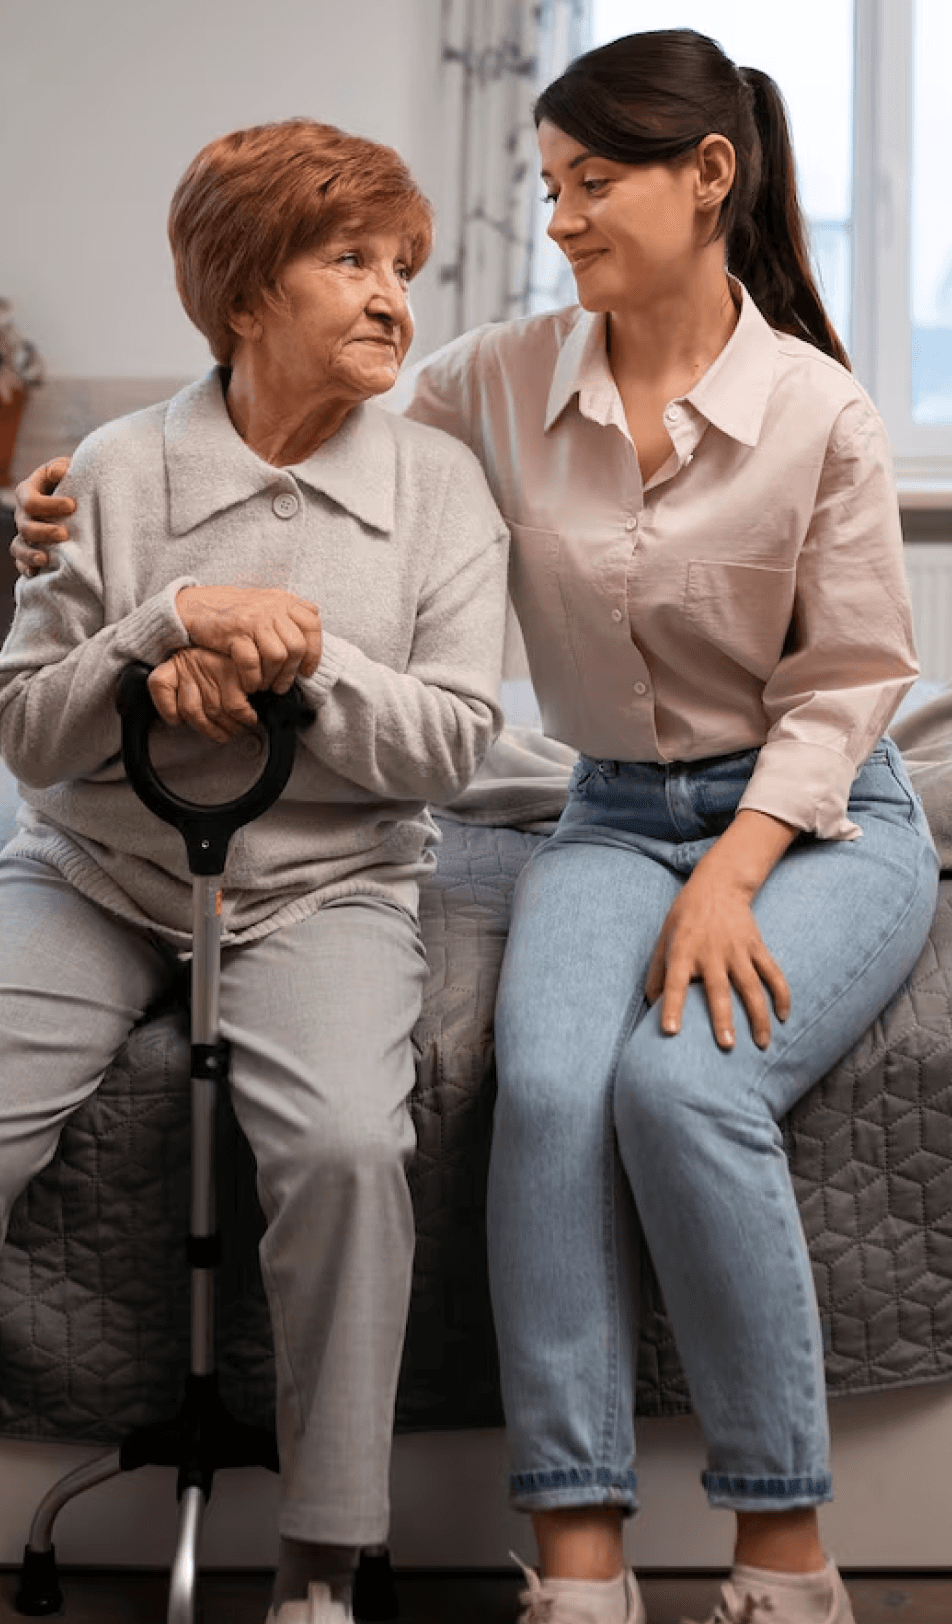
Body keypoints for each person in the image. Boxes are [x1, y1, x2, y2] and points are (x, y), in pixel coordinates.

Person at [12, 29, 940, 1624]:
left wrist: (732, 872)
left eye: (592, 184)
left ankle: (783, 1544)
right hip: (600, 808)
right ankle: (576, 1553)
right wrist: (55, 512)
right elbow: (283, 412)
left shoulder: (821, 413)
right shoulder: (497, 380)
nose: (561, 217)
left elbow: (850, 679)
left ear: (710, 178)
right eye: (552, 185)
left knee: (677, 1085)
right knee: (550, 1086)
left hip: (810, 817)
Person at [0, 117, 508, 1624]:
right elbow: (28, 732)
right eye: (347, 259)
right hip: (94, 873)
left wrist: (294, 662)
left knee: (353, 1148)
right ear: (241, 297)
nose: (390, 296)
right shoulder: (108, 466)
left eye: (404, 266)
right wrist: (164, 625)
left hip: (324, 889)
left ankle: (322, 1560)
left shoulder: (442, 489)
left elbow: (458, 748)